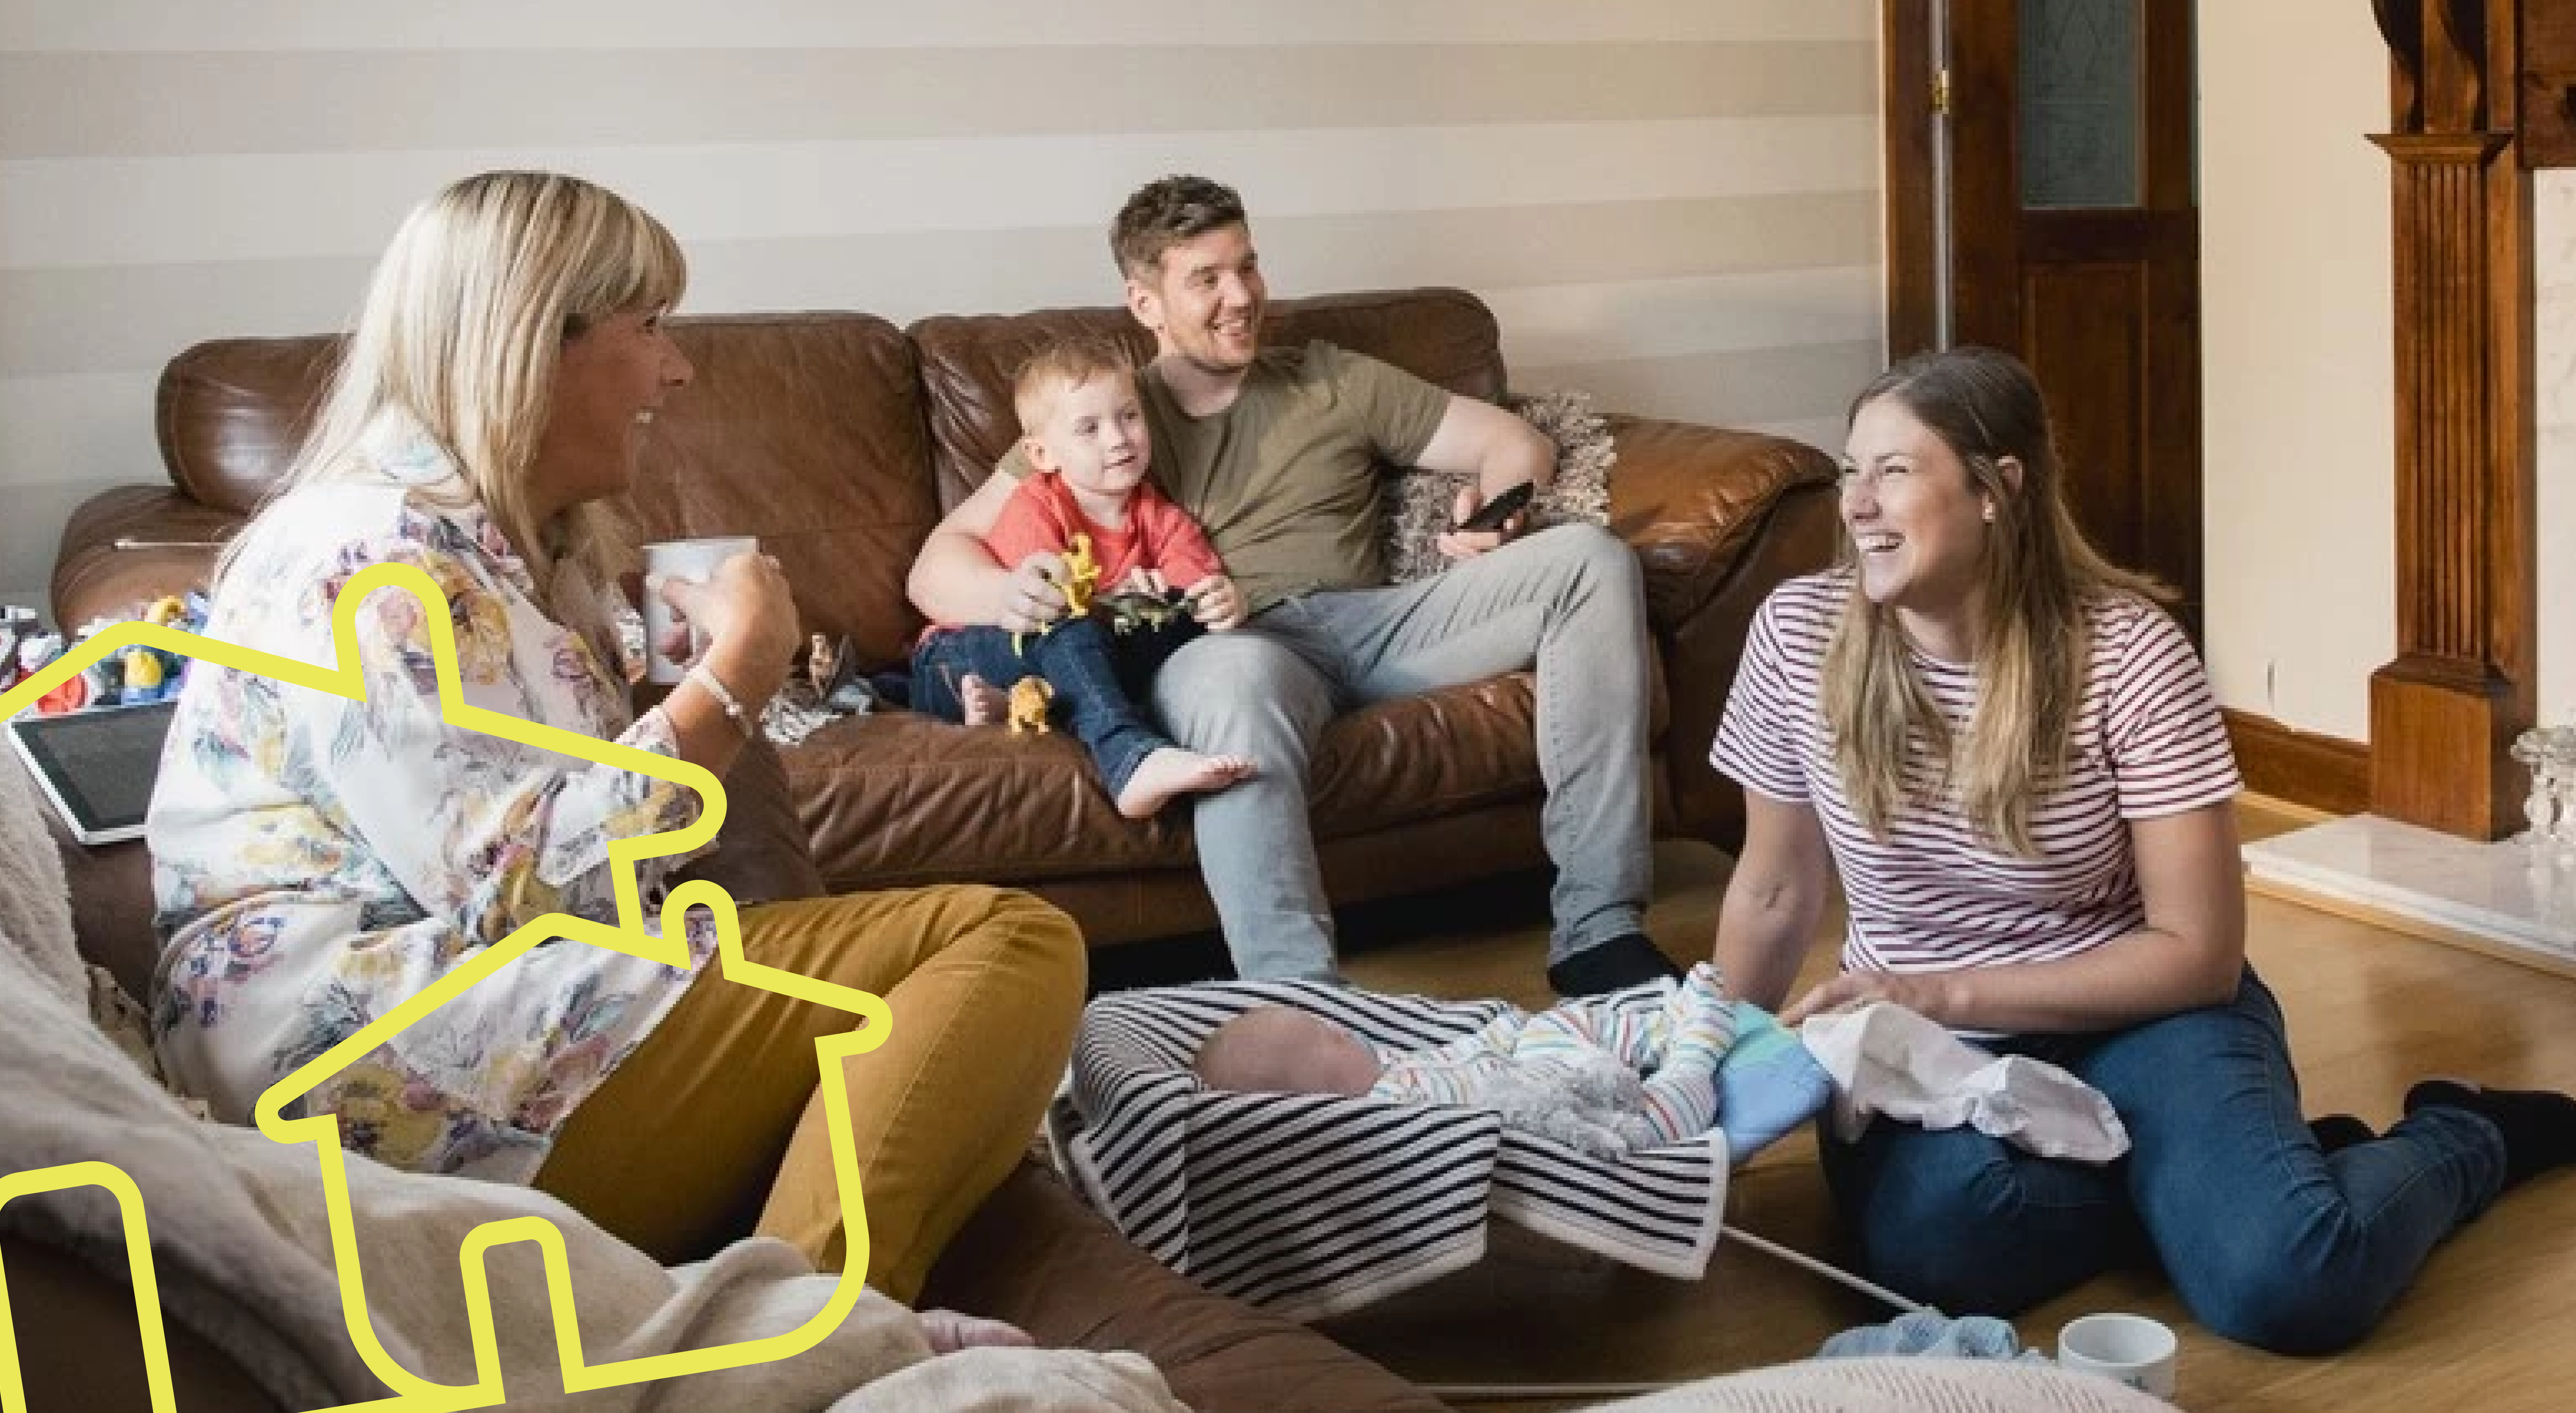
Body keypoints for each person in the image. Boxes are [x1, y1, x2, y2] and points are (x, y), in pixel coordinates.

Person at [146, 170, 1087, 1310]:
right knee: (1011, 943)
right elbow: (516, 889)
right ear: (532, 342)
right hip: (370, 1062)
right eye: (651, 329)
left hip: (477, 1023)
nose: (678, 369)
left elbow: (575, 847)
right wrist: (736, 676)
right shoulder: (369, 558)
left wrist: (665, 688)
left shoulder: (511, 553)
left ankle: (793, 1309)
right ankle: (809, 1338)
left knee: (951, 1025)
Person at [1707, 343, 2576, 1353]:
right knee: (1932, 1255)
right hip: (1923, 1051)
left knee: (2287, 1279)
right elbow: (1772, 891)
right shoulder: (1798, 632)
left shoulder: (2126, 652)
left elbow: (2195, 951)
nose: (1855, 501)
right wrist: (1700, 1077)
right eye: (1851, 469)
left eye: (1893, 470)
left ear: (1997, 489)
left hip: (2139, 1010)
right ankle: (2228, 1181)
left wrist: (1933, 989)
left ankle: (2462, 1132)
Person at [905, 173, 1669, 996]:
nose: (1241, 297)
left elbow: (1512, 440)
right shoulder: (1108, 415)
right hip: (1226, 646)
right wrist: (1004, 596)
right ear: (1144, 300)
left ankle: (1600, 932)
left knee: (1591, 562)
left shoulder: (1331, 378)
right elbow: (936, 561)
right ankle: (1299, 1000)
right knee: (1236, 675)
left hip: (1375, 626)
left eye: (1248, 266)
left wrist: (1498, 510)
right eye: (1206, 279)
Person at [909, 337, 1256, 819]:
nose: (1118, 439)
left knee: (1172, 631)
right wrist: (1123, 601)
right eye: (1089, 428)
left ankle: (1019, 704)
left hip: (1055, 660)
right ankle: (1131, 758)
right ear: (1042, 453)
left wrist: (1217, 602)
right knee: (1074, 631)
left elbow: (1192, 596)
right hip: (958, 656)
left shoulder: (1162, 517)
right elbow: (1053, 606)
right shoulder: (1039, 503)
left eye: (1129, 416)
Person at [1191, 966, 1738, 1158]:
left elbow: (1469, 1053)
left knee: (1558, 1026)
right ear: (1322, 1103)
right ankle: (1696, 1047)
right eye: (1325, 1038)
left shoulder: (1396, 1069)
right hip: (1578, 1127)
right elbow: (1484, 1109)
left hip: (1541, 1068)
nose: (1341, 1029)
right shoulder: (1392, 1112)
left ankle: (1654, 1028)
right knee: (1656, 1116)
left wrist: (1509, 1031)